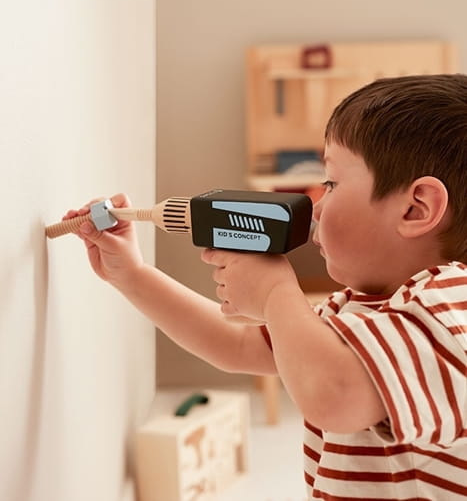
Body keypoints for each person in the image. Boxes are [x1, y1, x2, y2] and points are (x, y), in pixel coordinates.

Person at [65, 73, 467, 500]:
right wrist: (131, 275)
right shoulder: (363, 307)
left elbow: (335, 395)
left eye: (331, 183)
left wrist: (276, 292)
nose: (316, 205)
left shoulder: (452, 306)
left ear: (416, 208)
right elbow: (238, 345)